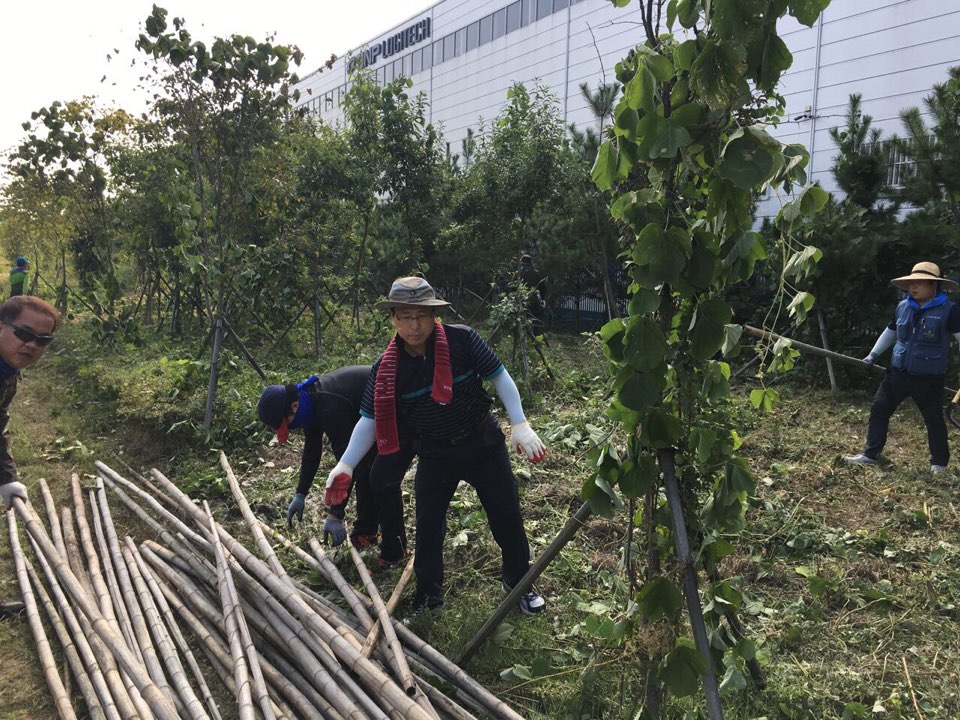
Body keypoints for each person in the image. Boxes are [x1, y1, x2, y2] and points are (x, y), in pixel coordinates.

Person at [326, 276, 549, 615]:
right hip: (434, 452)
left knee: (507, 516)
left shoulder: (462, 340)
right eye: (405, 316)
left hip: (482, 443)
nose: (414, 325)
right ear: (394, 319)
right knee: (428, 528)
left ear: (434, 316)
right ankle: (428, 599)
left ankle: (519, 584)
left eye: (421, 316)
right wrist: (346, 464)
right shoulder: (387, 369)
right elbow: (369, 420)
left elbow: (499, 376)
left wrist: (519, 422)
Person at [257, 366, 412, 566]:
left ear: (294, 406)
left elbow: (348, 466)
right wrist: (300, 493)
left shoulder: (329, 406)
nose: (292, 429)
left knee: (381, 480)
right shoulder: (309, 401)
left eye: (288, 424)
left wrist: (335, 514)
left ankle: (395, 551)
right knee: (367, 469)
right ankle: (366, 532)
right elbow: (312, 451)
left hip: (398, 410)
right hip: (370, 418)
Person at [843, 261, 960, 473]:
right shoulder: (903, 307)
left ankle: (939, 464)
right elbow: (891, 332)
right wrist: (873, 354)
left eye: (919, 283)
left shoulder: (949, 311)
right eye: (911, 283)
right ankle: (870, 454)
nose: (913, 287)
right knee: (879, 409)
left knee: (933, 420)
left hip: (929, 377)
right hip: (898, 373)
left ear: (934, 286)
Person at [0, 295, 61, 509]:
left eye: (43, 340)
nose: (32, 345)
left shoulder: (7, 372)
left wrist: (7, 479)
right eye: (24, 334)